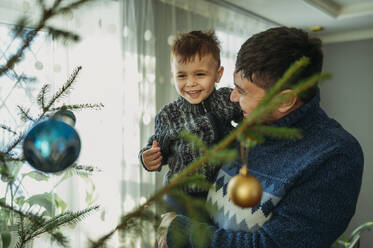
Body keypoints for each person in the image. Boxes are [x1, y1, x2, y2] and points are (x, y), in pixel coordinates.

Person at [159, 27, 364, 248]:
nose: (232, 97)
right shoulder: (246, 128)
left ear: (284, 101)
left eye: (243, 91)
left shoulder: (335, 156)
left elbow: (271, 245)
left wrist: (182, 231)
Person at [138, 30, 242, 215]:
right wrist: (147, 156)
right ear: (173, 75)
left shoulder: (227, 99)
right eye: (182, 76)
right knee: (180, 236)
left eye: (200, 74)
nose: (191, 83)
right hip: (180, 195)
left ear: (218, 74)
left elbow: (249, 119)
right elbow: (157, 145)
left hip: (222, 189)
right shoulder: (169, 114)